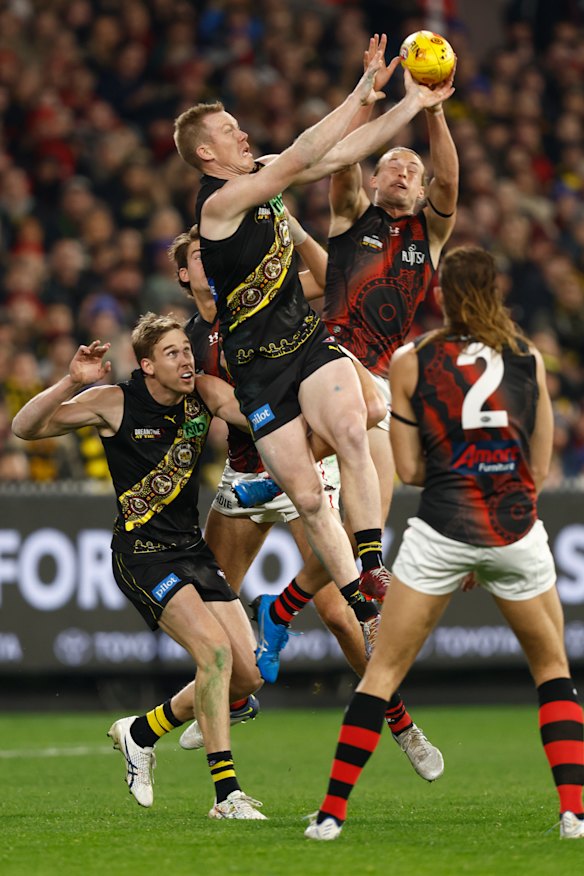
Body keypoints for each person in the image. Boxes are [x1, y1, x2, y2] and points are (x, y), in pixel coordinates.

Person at [173, 34, 454, 695]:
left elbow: (336, 152)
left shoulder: (259, 179)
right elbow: (307, 154)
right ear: (206, 154)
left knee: (363, 420)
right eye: (230, 131)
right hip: (256, 368)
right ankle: (347, 595)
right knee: (306, 494)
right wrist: (377, 97)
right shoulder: (221, 205)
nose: (243, 135)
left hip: (307, 344)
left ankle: (368, 567)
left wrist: (391, 101)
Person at [304, 246, 584, 841]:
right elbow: (535, 468)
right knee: (552, 668)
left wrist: (461, 494)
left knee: (381, 671)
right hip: (513, 527)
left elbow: (406, 470)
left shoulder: (412, 358)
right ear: (497, 290)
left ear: (440, 295)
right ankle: (574, 814)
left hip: (443, 527)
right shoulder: (528, 358)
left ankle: (331, 816)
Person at [11, 314, 266, 821]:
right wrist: (72, 382)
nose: (186, 359)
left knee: (247, 677)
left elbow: (255, 416)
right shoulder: (114, 402)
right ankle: (226, 796)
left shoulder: (204, 395)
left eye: (187, 350)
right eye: (172, 353)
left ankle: (141, 731)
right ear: (147, 365)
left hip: (193, 551)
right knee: (214, 655)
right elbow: (24, 427)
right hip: (143, 555)